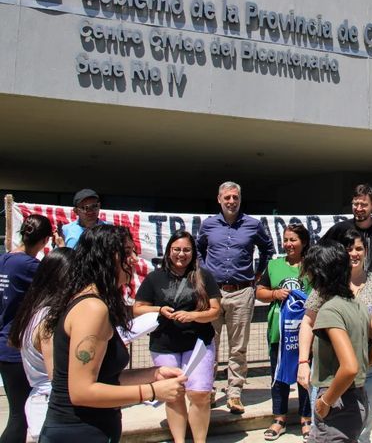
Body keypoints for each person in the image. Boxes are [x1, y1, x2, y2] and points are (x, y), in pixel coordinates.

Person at [40, 225, 187, 442]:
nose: (135, 259)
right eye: (127, 252)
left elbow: (105, 377)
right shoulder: (92, 309)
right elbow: (81, 391)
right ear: (106, 257)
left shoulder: (97, 303)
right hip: (78, 433)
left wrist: (153, 374)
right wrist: (152, 391)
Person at [299, 229, 372, 443]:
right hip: (357, 400)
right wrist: (365, 361)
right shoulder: (358, 306)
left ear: (320, 273)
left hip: (337, 402)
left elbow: (350, 367)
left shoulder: (330, 310)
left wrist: (326, 402)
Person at [133, 230, 221, 443]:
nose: (181, 254)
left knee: (199, 393)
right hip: (165, 344)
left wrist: (193, 315)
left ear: (193, 252)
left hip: (199, 343)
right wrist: (159, 309)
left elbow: (215, 310)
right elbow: (137, 308)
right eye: (177, 249)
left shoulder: (204, 276)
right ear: (168, 251)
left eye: (186, 250)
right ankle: (179, 440)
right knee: (174, 393)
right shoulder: (155, 278)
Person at [198, 181, 275, 414]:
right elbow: (199, 249)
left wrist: (258, 274)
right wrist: (203, 276)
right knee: (209, 344)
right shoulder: (208, 225)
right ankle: (206, 390)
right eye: (227, 197)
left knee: (238, 347)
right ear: (219, 199)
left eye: (235, 197)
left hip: (242, 292)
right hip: (213, 294)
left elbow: (267, 249)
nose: (231, 201)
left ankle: (234, 393)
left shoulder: (253, 225)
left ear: (240, 199)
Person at [0, 214, 56, 442]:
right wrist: (57, 252)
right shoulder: (31, 266)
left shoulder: (5, 259)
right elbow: (61, 278)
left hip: (5, 344)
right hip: (16, 348)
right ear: (45, 240)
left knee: (17, 413)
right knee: (20, 416)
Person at [8, 248, 73, 442]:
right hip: (51, 409)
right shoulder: (49, 320)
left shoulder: (32, 311)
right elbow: (58, 377)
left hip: (41, 402)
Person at [255, 224, 313, 441]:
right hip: (279, 332)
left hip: (306, 332)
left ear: (304, 242)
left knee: (305, 375)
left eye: (293, 240)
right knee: (278, 376)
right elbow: (259, 292)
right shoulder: (273, 265)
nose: (288, 244)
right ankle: (279, 418)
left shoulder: (312, 266)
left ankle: (306, 418)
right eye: (286, 239)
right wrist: (274, 293)